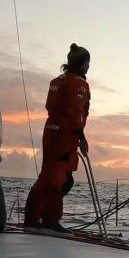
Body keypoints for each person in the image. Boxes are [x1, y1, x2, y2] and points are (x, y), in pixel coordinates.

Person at [24, 44, 91, 234]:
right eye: (88, 62)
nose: (88, 66)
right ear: (83, 63)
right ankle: (50, 220)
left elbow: (50, 105)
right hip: (65, 133)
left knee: (47, 173)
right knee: (60, 176)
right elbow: (74, 111)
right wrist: (82, 138)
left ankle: (32, 219)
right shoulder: (79, 84)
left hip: (50, 130)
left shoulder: (57, 80)